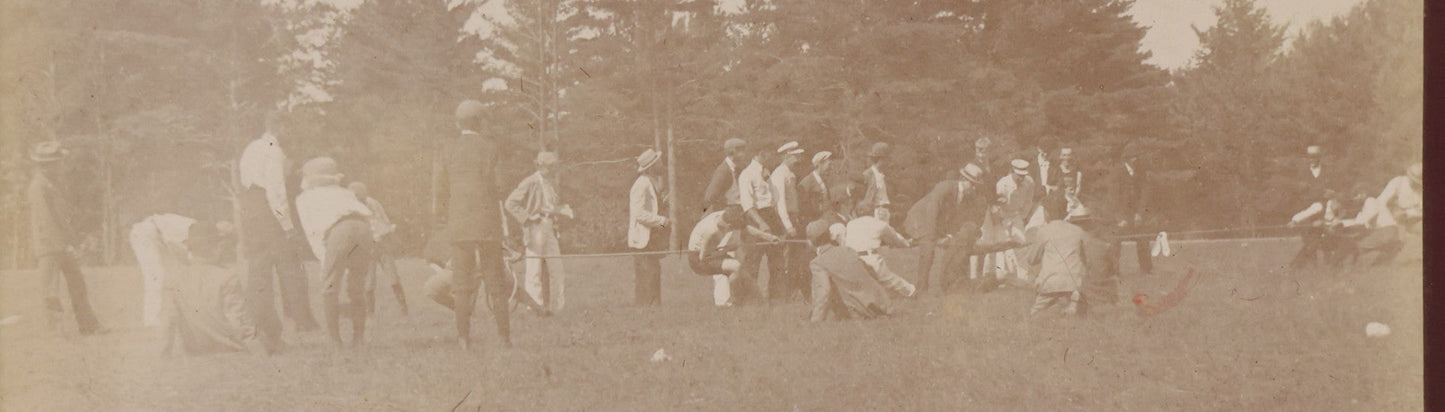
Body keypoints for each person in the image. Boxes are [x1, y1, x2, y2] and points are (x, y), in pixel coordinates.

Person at [237, 112, 319, 349]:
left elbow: (246, 182)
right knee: (290, 267)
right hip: (268, 211)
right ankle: (301, 321)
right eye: (288, 128)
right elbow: (275, 191)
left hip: (250, 210)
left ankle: (261, 324)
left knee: (258, 271)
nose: (290, 133)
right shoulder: (274, 149)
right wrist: (287, 225)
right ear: (279, 127)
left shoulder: (250, 148)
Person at [435, 99, 512, 349]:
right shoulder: (491, 148)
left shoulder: (447, 149)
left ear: (458, 123)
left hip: (459, 224)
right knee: (495, 282)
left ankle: (463, 339)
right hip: (487, 223)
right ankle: (504, 338)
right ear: (480, 122)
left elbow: (440, 190)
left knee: (461, 284)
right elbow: (501, 186)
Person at [27, 141, 106, 336]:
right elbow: (46, 220)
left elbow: (62, 218)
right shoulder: (38, 186)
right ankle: (54, 331)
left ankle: (89, 325)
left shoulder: (51, 184)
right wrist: (64, 245)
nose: (60, 165)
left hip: (62, 245)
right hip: (49, 246)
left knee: (78, 284)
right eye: (56, 162)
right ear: (46, 164)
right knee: (50, 291)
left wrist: (71, 241)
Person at [295, 157, 375, 349]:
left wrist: (326, 262)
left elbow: (313, 232)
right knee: (357, 287)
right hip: (363, 227)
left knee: (329, 287)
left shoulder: (305, 198)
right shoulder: (345, 192)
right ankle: (358, 339)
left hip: (340, 231)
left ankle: (334, 340)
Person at [158, 222, 267, 356]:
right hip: (230, 349)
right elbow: (239, 323)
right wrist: (260, 352)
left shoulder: (173, 279)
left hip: (195, 351)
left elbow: (167, 322)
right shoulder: (227, 277)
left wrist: (163, 356)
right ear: (217, 247)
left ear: (190, 249)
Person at [505, 151, 574, 314]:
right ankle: (535, 308)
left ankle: (559, 308)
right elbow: (510, 203)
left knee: (557, 269)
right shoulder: (530, 182)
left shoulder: (550, 183)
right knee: (534, 270)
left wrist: (562, 210)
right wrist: (528, 218)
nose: (552, 170)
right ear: (540, 166)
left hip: (550, 227)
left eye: (553, 166)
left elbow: (549, 207)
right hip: (535, 228)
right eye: (550, 167)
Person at [807, 221, 898, 321]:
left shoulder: (817, 263)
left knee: (824, 284)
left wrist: (815, 321)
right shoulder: (848, 250)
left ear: (811, 241)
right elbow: (870, 272)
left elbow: (823, 293)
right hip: (883, 305)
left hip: (860, 312)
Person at [1017, 200, 1088, 317]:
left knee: (1034, 316)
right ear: (1066, 212)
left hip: (1050, 283)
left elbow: (1032, 260)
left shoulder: (1044, 231)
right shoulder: (1078, 230)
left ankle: (1060, 307)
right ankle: (1069, 305)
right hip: (1075, 283)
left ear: (1047, 213)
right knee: (1080, 314)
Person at [348, 182, 408, 317]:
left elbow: (384, 220)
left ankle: (404, 308)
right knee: (369, 283)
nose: (359, 199)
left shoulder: (373, 203)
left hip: (382, 244)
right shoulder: (351, 209)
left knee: (393, 278)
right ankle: (370, 313)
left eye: (361, 195)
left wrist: (390, 236)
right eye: (356, 196)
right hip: (366, 248)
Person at [129, 213, 198, 327]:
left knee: (162, 276)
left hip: (155, 236)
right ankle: (151, 319)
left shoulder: (193, 227)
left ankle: (175, 314)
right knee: (155, 276)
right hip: (146, 233)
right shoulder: (192, 228)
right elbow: (180, 251)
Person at [903, 170, 965, 297]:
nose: (974, 187)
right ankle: (921, 289)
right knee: (928, 250)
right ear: (965, 180)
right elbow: (933, 209)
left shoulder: (963, 192)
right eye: (973, 183)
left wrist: (947, 234)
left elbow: (950, 214)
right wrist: (932, 234)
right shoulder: (945, 186)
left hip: (934, 222)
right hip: (920, 219)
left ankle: (953, 283)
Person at [737, 145, 786, 302]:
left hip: (771, 215)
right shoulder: (747, 174)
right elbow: (747, 205)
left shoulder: (766, 172)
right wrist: (761, 223)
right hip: (757, 218)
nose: (771, 156)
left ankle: (776, 298)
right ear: (761, 153)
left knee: (777, 260)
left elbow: (773, 198)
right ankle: (749, 300)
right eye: (769, 153)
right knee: (753, 261)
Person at [688, 207, 759, 308]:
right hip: (697, 259)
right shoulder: (712, 231)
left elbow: (746, 228)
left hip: (711, 254)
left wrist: (768, 237)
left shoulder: (724, 216)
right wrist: (728, 249)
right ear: (729, 226)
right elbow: (703, 257)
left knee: (743, 272)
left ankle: (751, 300)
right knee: (735, 266)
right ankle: (734, 303)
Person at [844, 202, 917, 298]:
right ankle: (912, 292)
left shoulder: (850, 224)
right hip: (870, 258)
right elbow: (896, 239)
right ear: (872, 211)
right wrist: (907, 244)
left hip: (851, 259)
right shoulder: (879, 224)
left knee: (861, 285)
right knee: (889, 279)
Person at [629, 148, 668, 306]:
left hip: (652, 236)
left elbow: (651, 206)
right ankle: (645, 309)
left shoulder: (651, 181)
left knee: (654, 271)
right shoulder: (641, 184)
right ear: (651, 166)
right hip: (642, 238)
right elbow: (638, 213)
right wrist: (661, 221)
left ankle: (654, 307)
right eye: (658, 162)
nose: (661, 164)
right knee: (646, 274)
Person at [771, 142, 810, 302]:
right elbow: (780, 203)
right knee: (787, 259)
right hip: (784, 221)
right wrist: (788, 225)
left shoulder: (789, 173)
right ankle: (784, 294)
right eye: (795, 156)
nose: (798, 159)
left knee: (796, 258)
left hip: (794, 218)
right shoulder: (780, 174)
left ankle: (793, 293)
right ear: (786, 156)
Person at [989, 159, 1038, 286]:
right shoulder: (1003, 184)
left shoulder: (1029, 182)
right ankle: (1000, 278)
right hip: (1002, 216)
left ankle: (1024, 277)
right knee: (1001, 245)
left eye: (1023, 176)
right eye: (1019, 176)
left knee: (1021, 243)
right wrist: (999, 219)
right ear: (1012, 172)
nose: (1021, 178)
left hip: (1016, 216)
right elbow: (995, 204)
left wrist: (1022, 216)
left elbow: (1029, 201)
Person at [1107, 143, 1152, 276]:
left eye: (1137, 156)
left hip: (1135, 213)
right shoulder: (1116, 172)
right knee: (1115, 242)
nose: (1136, 160)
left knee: (1143, 238)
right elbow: (1112, 197)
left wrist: (1140, 213)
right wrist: (1119, 218)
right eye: (1133, 157)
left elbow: (1145, 193)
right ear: (1126, 158)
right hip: (1120, 213)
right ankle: (1114, 271)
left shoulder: (1140, 171)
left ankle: (1147, 269)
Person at [1288, 145, 1336, 269]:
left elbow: (1334, 190)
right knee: (1309, 239)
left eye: (1314, 157)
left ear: (1319, 157)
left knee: (1326, 238)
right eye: (1309, 157)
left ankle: (1329, 265)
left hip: (1323, 210)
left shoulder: (1328, 171)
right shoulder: (1302, 173)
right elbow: (1296, 191)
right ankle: (1312, 267)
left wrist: (1332, 193)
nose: (1312, 159)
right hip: (1306, 210)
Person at [1072, 207, 1119, 314]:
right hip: (1099, 282)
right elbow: (1113, 269)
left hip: (1084, 282)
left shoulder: (1079, 240)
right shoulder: (1102, 244)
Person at [703, 138, 748, 214]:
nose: (744, 154)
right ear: (732, 152)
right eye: (741, 151)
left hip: (738, 209)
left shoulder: (740, 167)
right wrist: (726, 205)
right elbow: (709, 197)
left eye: (744, 150)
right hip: (725, 211)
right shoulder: (723, 170)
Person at [1376, 163, 1422, 233]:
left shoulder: (1421, 190)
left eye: (1417, 182)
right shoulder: (1399, 182)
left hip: (1410, 220)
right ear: (1408, 176)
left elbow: (1421, 210)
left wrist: (1407, 213)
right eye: (1412, 179)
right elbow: (1382, 201)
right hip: (1390, 216)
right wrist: (1391, 217)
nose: (1414, 183)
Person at [798, 151, 833, 226]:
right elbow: (803, 207)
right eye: (829, 165)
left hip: (825, 219)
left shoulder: (824, 181)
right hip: (814, 222)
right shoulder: (806, 182)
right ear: (819, 164)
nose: (831, 168)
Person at [860, 142, 893, 218]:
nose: (889, 162)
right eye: (887, 159)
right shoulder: (867, 175)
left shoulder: (884, 175)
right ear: (881, 159)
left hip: (885, 211)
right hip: (874, 212)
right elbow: (863, 198)